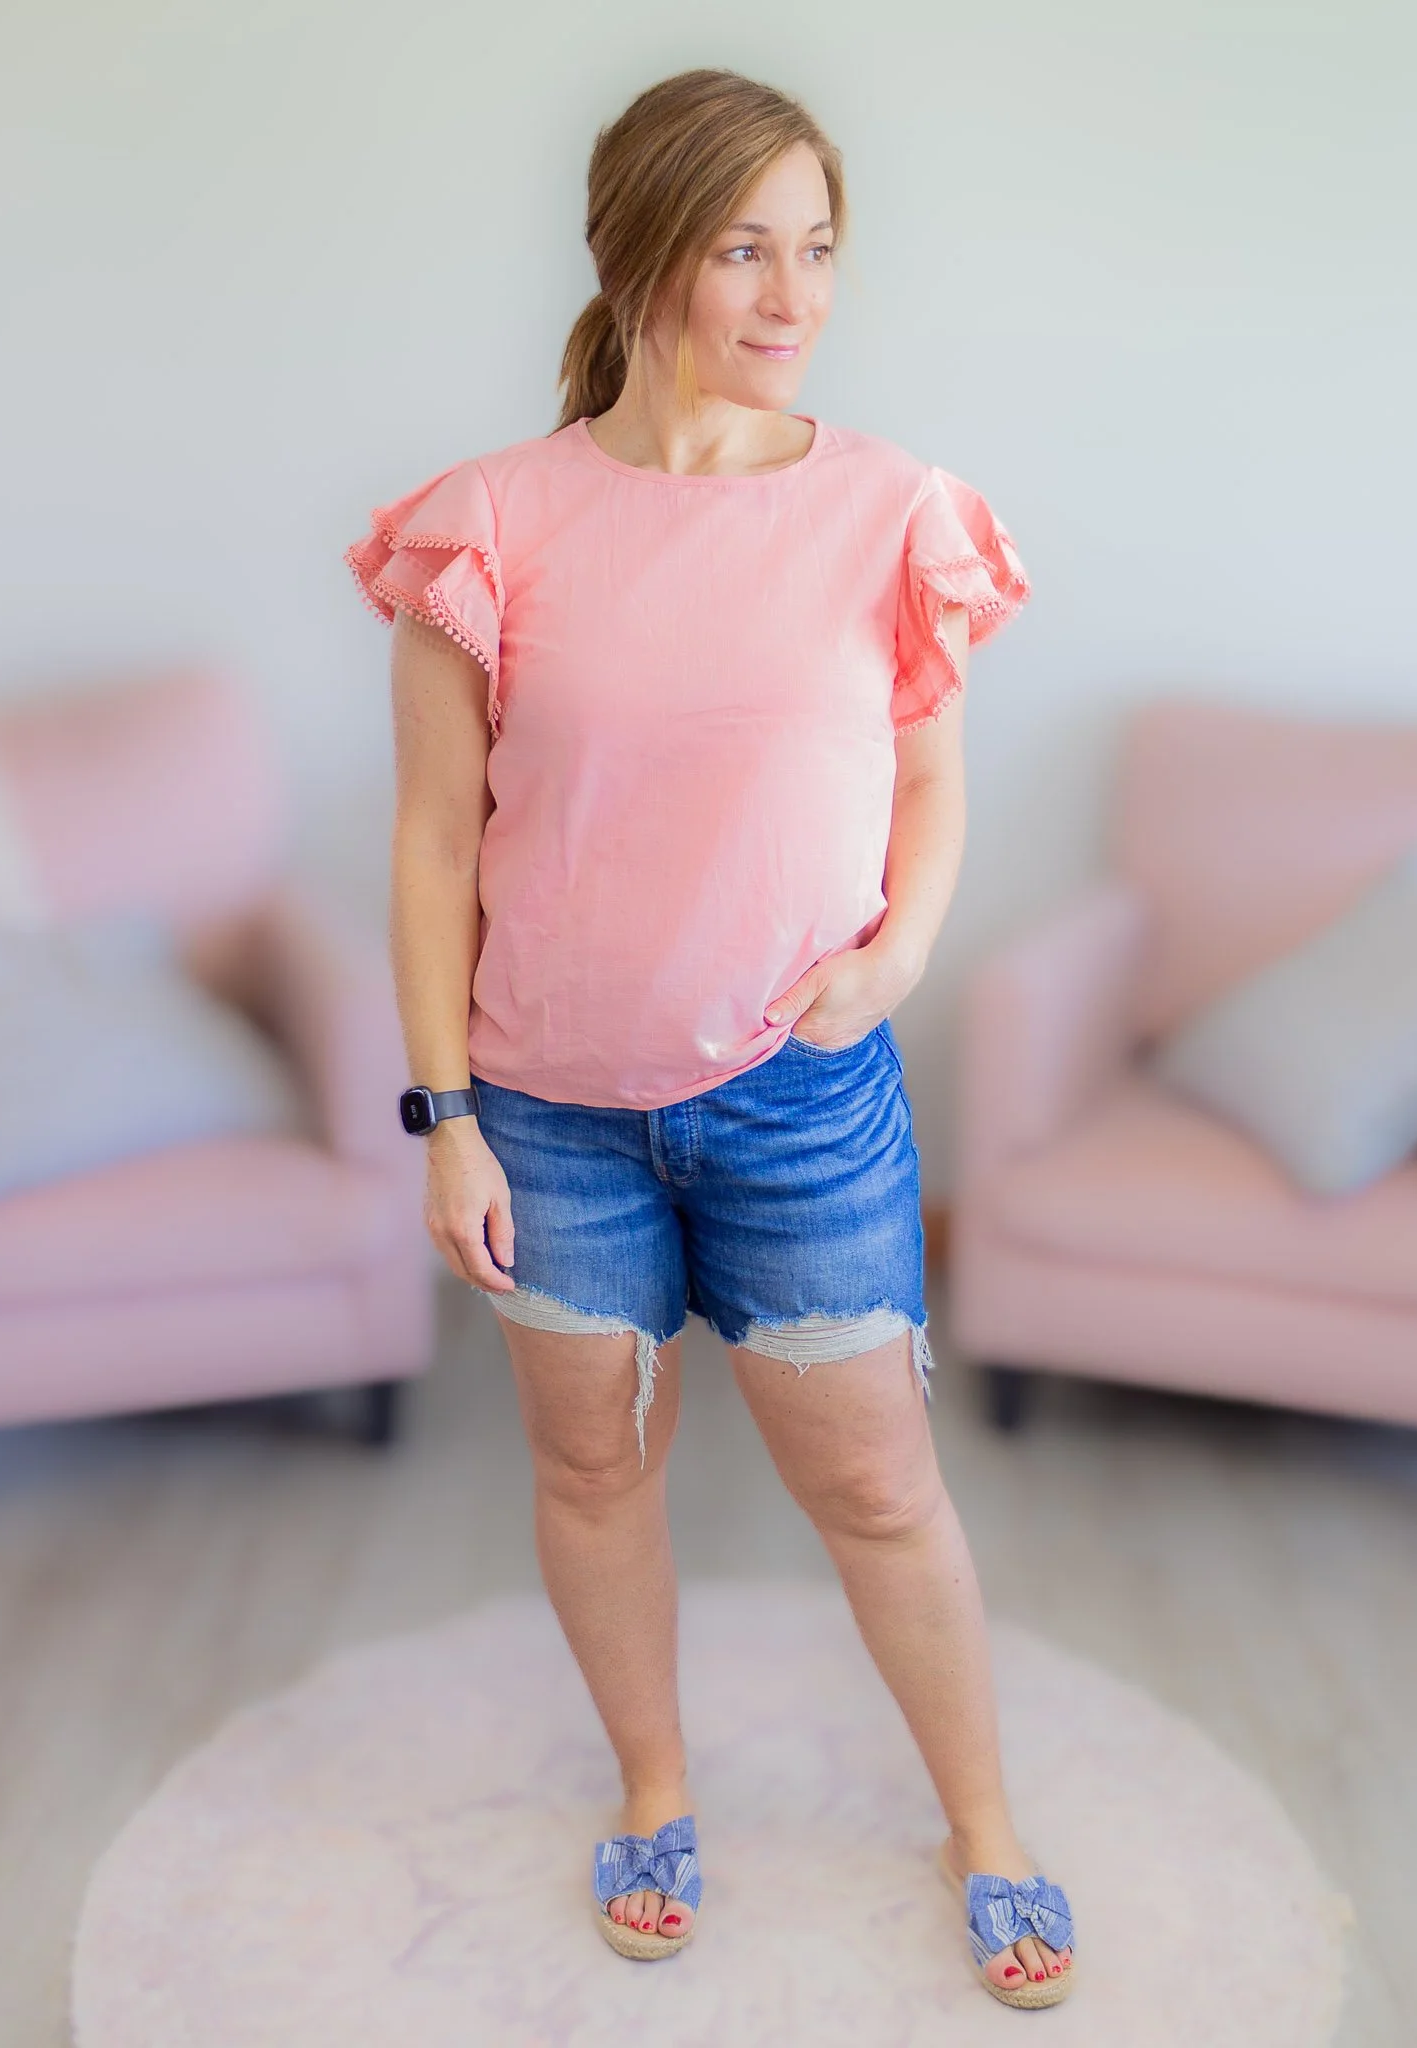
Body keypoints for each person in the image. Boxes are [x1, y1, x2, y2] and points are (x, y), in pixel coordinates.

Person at [349, 67, 1074, 2009]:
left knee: (878, 1491)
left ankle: (982, 1818)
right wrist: (443, 1115)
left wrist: (897, 957)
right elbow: (430, 840)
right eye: (746, 243)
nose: (791, 291)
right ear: (643, 246)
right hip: (543, 1117)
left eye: (818, 245)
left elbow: (930, 787)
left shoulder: (889, 513)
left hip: (799, 1104)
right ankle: (655, 1788)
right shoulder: (484, 525)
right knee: (592, 1475)